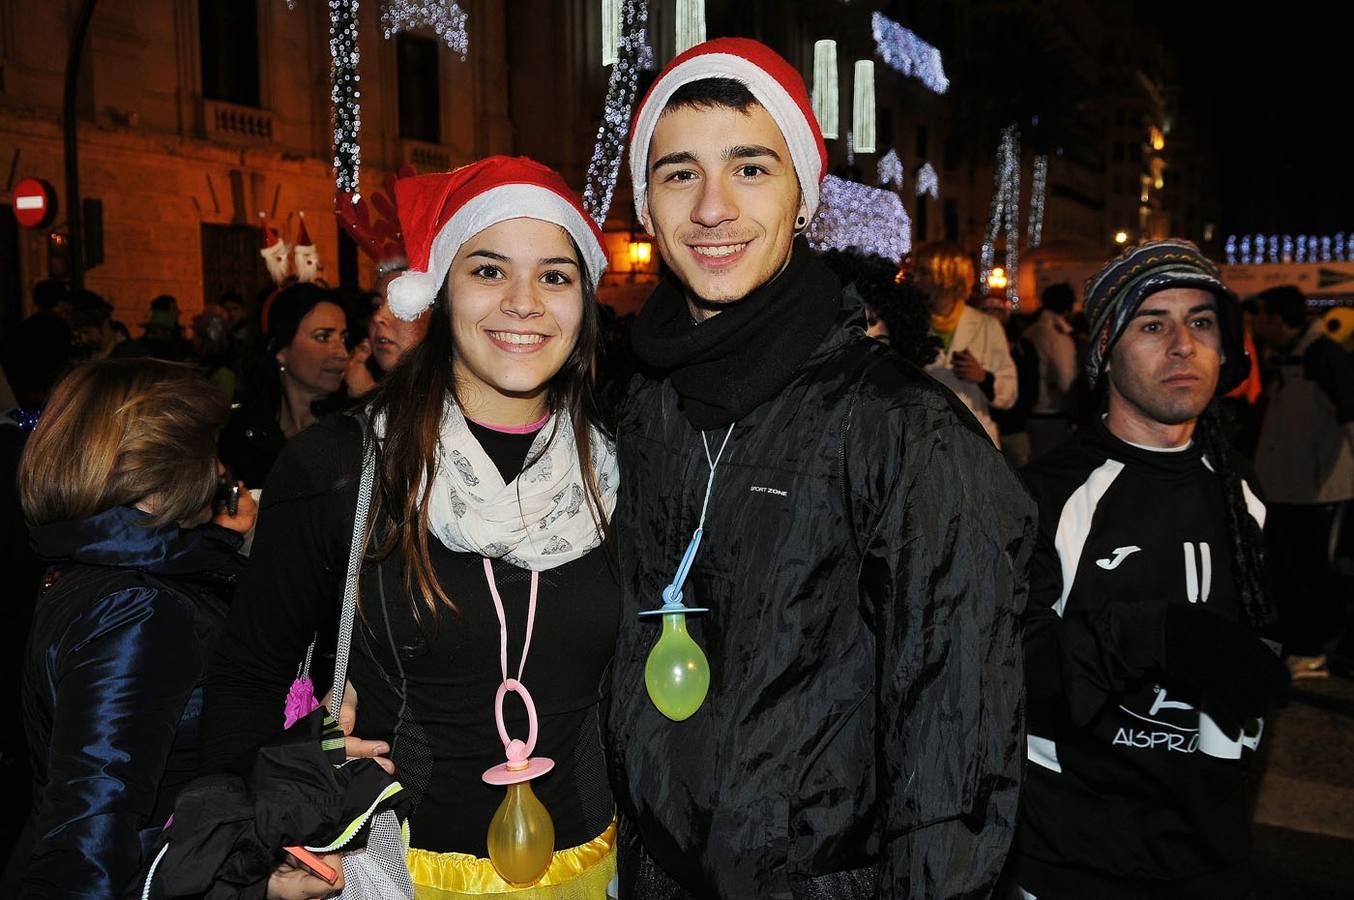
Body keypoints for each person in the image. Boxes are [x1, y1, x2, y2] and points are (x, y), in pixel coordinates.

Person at [607, 38, 1034, 899]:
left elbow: (957, 754)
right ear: (646, 207)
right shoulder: (632, 408)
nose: (713, 208)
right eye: (679, 173)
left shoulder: (905, 431)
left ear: (803, 197)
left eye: (751, 168)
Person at [202, 156, 621, 898]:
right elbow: (248, 676)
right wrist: (259, 845)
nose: (524, 303)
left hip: (594, 871)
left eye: (555, 276)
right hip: (391, 874)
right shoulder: (341, 466)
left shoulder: (621, 468)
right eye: (488, 271)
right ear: (437, 292)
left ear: (583, 302)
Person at [1014, 239, 1290, 899]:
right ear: (1105, 351)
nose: (1181, 344)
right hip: (1077, 854)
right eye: (1151, 323)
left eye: (1201, 322)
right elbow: (1004, 669)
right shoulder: (1045, 494)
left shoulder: (1240, 486)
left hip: (1206, 850)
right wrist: (1156, 634)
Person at [11, 358, 256, 898]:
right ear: (165, 468)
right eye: (207, 451)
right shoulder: (137, 606)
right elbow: (91, 836)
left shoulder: (90, 564)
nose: (218, 471)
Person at [1250, 284, 1354, 679]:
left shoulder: (1323, 356)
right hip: (1286, 487)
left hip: (1316, 492)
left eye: (1260, 315)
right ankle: (1296, 642)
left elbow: (1350, 418)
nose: (1255, 324)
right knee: (1290, 570)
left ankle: (1315, 649)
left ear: (1278, 318)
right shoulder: (1287, 358)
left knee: (1313, 571)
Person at [218, 282, 354, 487]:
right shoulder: (244, 435)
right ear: (281, 350)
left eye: (343, 338)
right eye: (323, 337)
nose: (342, 353)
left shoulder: (352, 432)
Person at [912, 241, 1018, 447]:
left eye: (923, 272)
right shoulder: (910, 325)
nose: (915, 279)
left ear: (946, 277)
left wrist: (983, 377)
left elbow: (1009, 394)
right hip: (925, 440)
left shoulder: (986, 326)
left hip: (975, 440)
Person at [1023, 282, 1078, 459]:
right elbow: (1066, 381)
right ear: (1067, 308)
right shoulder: (1057, 335)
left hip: (1030, 414)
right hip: (1052, 414)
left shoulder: (1030, 330)